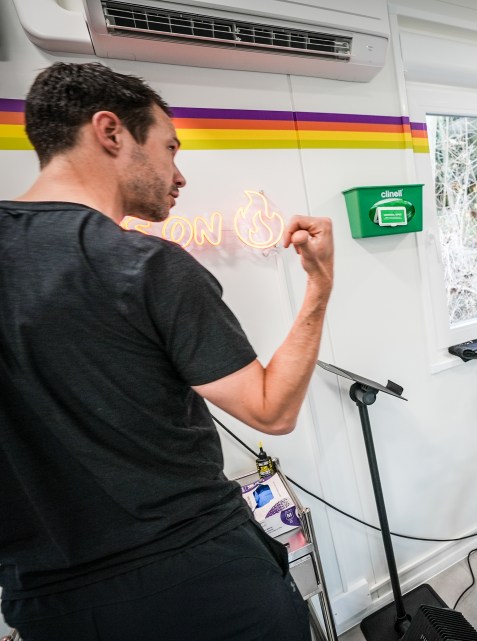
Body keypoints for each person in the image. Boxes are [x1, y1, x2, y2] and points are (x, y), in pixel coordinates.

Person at [0, 62, 333, 640]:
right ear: (110, 132)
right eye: (169, 149)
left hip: (48, 607)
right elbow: (271, 410)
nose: (178, 176)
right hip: (201, 585)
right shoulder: (143, 265)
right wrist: (320, 287)